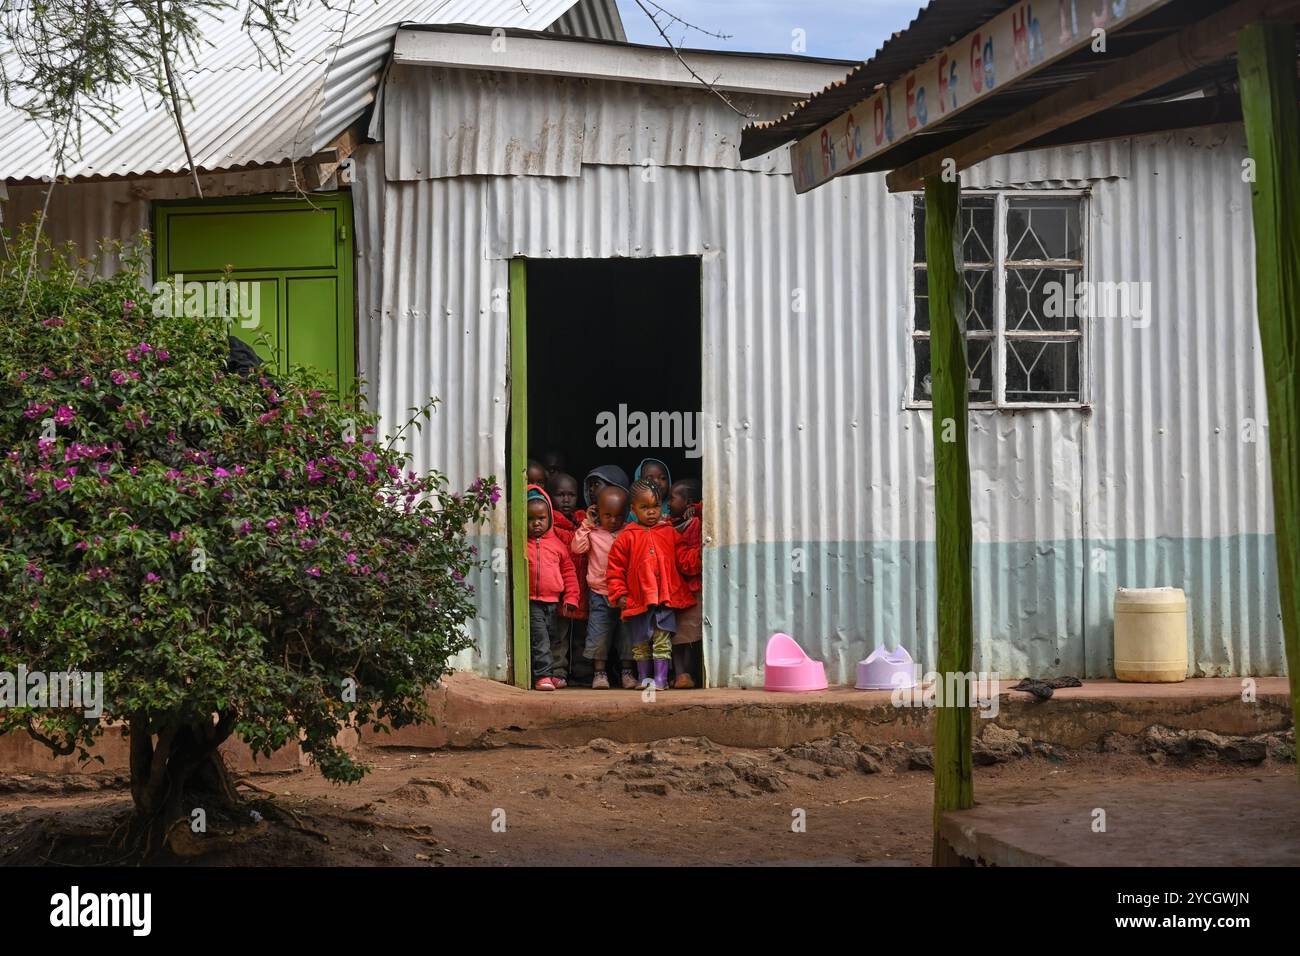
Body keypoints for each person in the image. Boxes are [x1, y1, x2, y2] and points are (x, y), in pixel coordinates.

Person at [605, 478, 697, 690]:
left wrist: (699, 556)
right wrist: (619, 594)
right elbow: (615, 569)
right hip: (637, 601)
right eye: (644, 507)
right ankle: (645, 679)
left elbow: (683, 558)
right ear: (633, 509)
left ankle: (661, 680)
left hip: (664, 600)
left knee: (662, 642)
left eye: (656, 506)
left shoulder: (670, 532)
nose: (651, 512)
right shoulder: (626, 537)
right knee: (640, 644)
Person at [572, 485, 634, 690]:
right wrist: (587, 524)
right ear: (597, 512)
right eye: (607, 515)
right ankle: (599, 674)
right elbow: (577, 547)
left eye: (618, 516)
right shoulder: (593, 533)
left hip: (626, 594)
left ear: (626, 514)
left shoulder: (630, 532)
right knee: (599, 634)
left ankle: (627, 672)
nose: (613, 520)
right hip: (599, 593)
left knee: (627, 635)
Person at [525, 485, 579, 691]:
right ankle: (542, 676)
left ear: (550, 518)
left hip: (554, 602)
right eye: (530, 519)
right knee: (540, 640)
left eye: (541, 518)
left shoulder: (557, 545)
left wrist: (572, 598)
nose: (536, 523)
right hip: (532, 601)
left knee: (556, 640)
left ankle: (556, 673)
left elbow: (569, 573)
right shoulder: (521, 543)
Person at [547, 472, 588, 686]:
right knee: (559, 634)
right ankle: (558, 671)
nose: (565, 500)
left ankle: (582, 673)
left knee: (582, 634)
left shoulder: (585, 522)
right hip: (562, 590)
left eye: (571, 494)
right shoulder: (549, 525)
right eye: (559, 494)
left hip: (584, 589)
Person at [668, 478, 704, 689]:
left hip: (690, 591)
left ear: (688, 502)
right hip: (677, 591)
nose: (668, 503)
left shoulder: (695, 524)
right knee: (678, 636)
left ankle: (685, 675)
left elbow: (690, 563)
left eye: (672, 498)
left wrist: (678, 555)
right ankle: (681, 674)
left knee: (686, 637)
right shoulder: (675, 522)